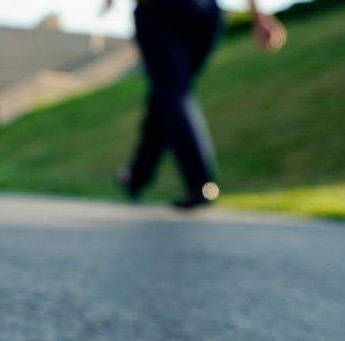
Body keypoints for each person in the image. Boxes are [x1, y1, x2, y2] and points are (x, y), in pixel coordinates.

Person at [105, 0, 286, 208]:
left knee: (172, 93)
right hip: (203, 12)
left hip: (160, 12)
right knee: (168, 94)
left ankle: (202, 185)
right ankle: (137, 177)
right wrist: (258, 15)